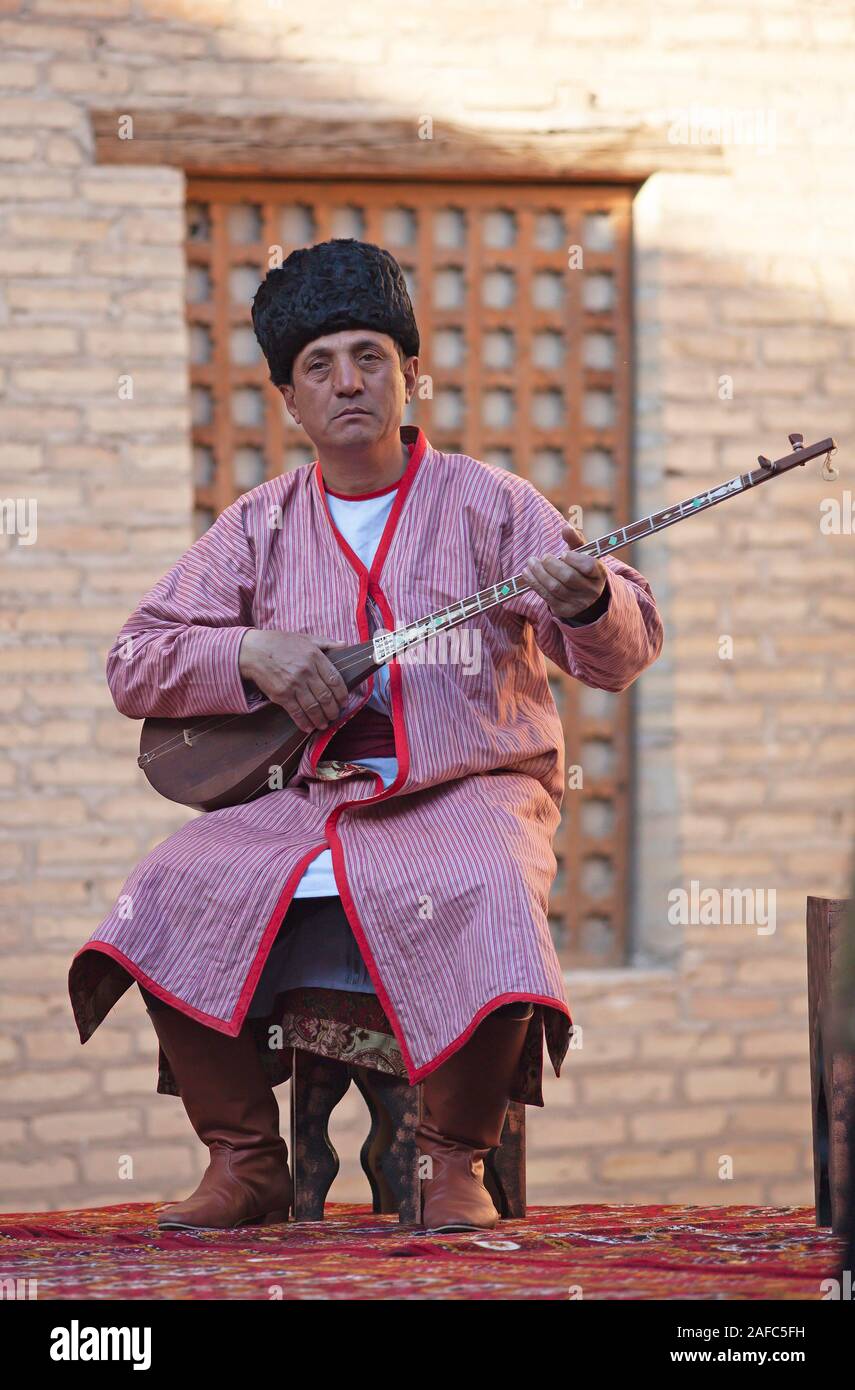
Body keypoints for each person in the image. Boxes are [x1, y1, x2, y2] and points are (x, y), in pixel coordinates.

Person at [68, 237, 664, 1234]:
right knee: (167, 885)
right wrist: (251, 651)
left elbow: (620, 654)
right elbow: (135, 659)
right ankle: (245, 1158)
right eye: (319, 365)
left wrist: (594, 594)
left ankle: (450, 1161)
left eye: (371, 355)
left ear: (409, 372)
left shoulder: (495, 502)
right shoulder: (256, 524)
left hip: (472, 787)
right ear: (291, 401)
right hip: (315, 804)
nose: (349, 381)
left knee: (488, 880)